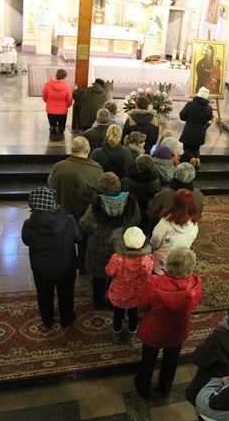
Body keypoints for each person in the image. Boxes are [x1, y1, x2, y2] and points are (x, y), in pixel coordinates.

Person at [134, 247, 202, 399]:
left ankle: (142, 387)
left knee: (148, 361)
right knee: (171, 360)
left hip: (154, 330)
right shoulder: (195, 286)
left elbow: (142, 305)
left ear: (168, 263)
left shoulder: (153, 283)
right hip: (177, 331)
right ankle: (165, 388)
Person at [21, 187, 82, 331]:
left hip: (41, 268)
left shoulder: (29, 224)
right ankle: (66, 319)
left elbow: (26, 241)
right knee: (66, 293)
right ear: (52, 202)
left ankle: (47, 321)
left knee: (44, 295)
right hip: (66, 266)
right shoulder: (69, 220)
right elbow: (79, 238)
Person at [79, 172, 141, 310]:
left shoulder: (96, 206)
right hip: (122, 246)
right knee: (117, 276)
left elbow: (84, 224)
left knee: (99, 278)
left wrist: (98, 229)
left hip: (99, 248)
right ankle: (113, 300)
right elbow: (136, 220)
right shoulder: (131, 202)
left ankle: (99, 303)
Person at [47, 136, 103, 274]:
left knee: (66, 242)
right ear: (88, 149)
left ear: (71, 149)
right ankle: (83, 268)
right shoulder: (96, 169)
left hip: (64, 211)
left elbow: (51, 184)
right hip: (85, 213)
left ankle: (66, 267)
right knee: (84, 242)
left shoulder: (59, 166)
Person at [106, 227, 153, 345]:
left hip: (119, 293)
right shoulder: (147, 259)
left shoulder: (117, 258)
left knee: (118, 314)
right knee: (133, 315)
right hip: (136, 294)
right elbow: (148, 276)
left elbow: (109, 272)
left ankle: (116, 336)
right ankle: (130, 336)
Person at [150, 188, 200, 275]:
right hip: (180, 264)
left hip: (161, 264)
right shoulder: (194, 225)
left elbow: (154, 241)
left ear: (175, 203)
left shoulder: (165, 223)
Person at [147, 162, 204, 233]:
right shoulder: (198, 194)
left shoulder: (163, 195)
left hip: (165, 232)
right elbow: (198, 213)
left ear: (175, 174)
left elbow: (151, 213)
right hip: (189, 230)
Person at [121, 154, 161, 237]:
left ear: (137, 165)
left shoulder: (126, 181)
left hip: (130, 212)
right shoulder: (156, 182)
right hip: (147, 214)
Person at [179, 87, 213, 167]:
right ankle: (198, 159)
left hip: (189, 132)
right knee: (196, 149)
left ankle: (192, 158)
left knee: (186, 148)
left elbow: (182, 116)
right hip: (200, 134)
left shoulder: (190, 105)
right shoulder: (209, 108)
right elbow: (209, 119)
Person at [42, 68, 73, 140]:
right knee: (61, 128)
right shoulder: (66, 86)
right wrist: (65, 106)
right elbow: (69, 99)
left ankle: (52, 133)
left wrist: (49, 102)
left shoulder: (48, 84)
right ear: (64, 77)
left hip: (50, 110)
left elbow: (44, 96)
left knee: (52, 126)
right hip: (62, 111)